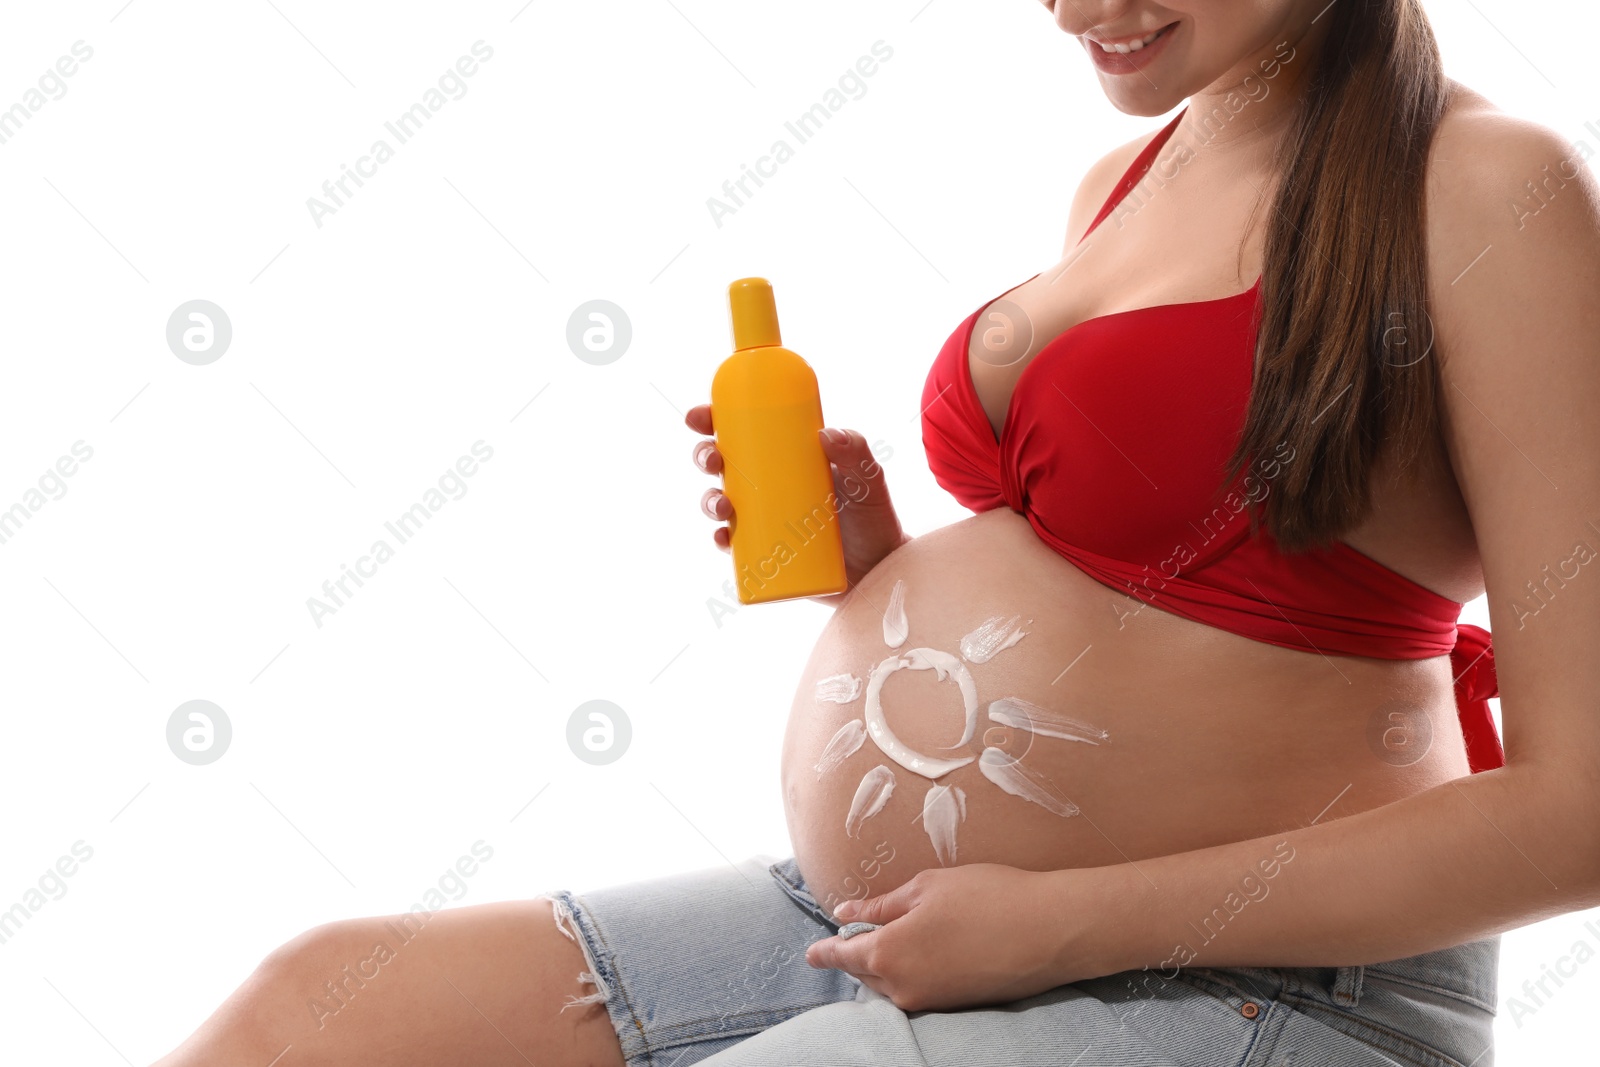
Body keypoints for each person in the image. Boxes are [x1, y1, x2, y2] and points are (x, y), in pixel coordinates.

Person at [149, 1, 1600, 1064]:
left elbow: (1580, 814)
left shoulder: (1489, 191)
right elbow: (1148, 594)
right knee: (308, 1015)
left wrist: (1057, 925)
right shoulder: (1126, 179)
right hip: (921, 924)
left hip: (1270, 985)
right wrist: (889, 563)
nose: (1079, 9)